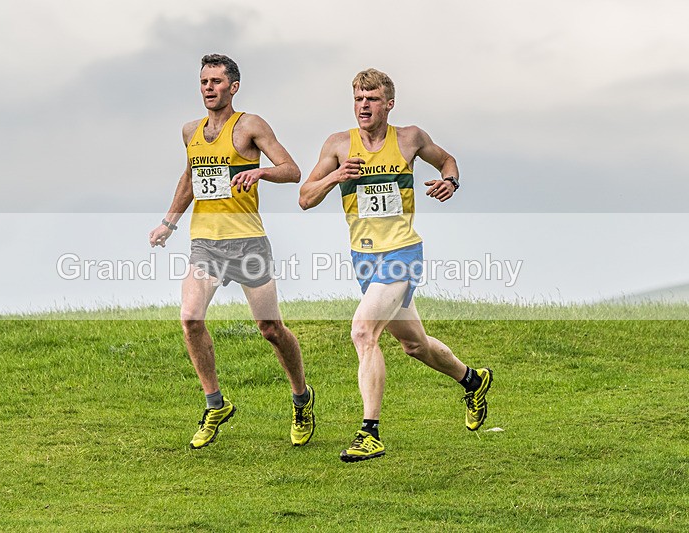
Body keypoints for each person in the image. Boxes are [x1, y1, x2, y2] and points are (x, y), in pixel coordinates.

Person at [299, 68, 492, 462]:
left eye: (371, 99)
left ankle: (369, 432)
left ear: (389, 104)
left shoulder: (409, 138)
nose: (363, 106)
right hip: (364, 258)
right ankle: (473, 380)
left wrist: (451, 181)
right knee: (414, 344)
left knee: (363, 331)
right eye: (358, 98)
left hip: (402, 253)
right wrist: (336, 176)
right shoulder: (338, 145)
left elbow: (447, 160)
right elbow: (305, 197)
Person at [149, 54, 315, 449]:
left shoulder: (250, 126)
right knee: (190, 318)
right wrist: (169, 223)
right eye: (204, 82)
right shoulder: (190, 131)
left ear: (233, 87)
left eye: (216, 81)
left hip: (248, 243)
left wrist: (260, 171)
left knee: (270, 329)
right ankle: (215, 403)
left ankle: (301, 398)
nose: (208, 88)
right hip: (205, 243)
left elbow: (292, 170)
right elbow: (190, 178)